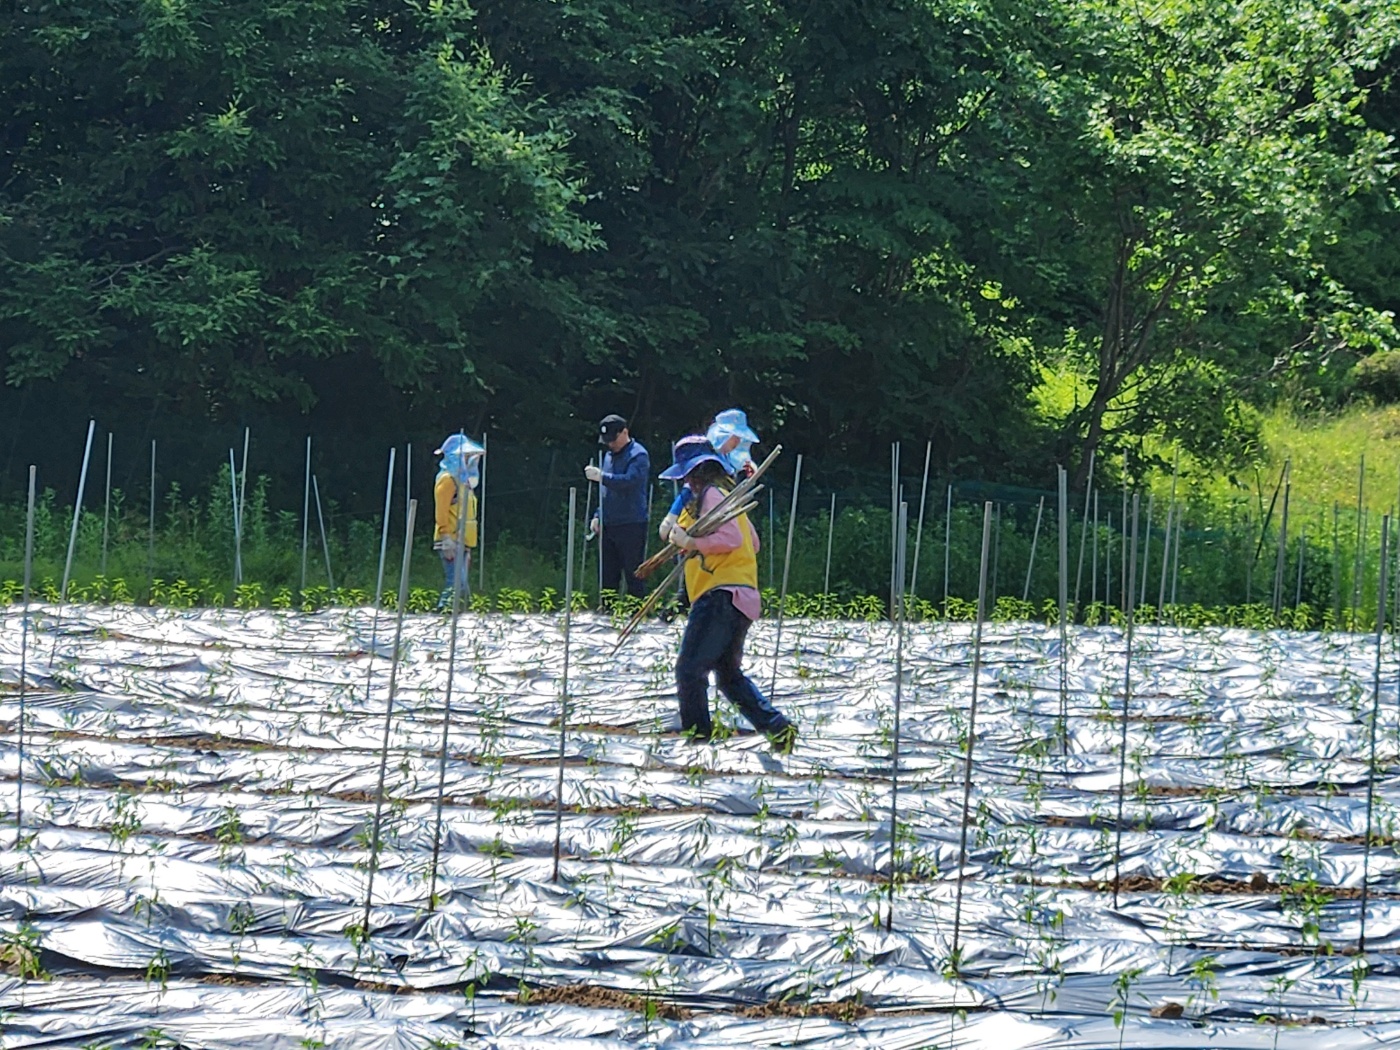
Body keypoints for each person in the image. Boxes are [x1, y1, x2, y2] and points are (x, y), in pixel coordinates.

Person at [660, 434, 796, 753]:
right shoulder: (728, 498)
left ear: (697, 472)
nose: (686, 482)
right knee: (728, 676)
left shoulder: (711, 495)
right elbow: (753, 543)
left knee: (689, 670)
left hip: (719, 595)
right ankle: (778, 728)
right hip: (741, 596)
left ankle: (699, 741)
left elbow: (733, 539)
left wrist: (693, 543)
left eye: (688, 474)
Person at [657, 408, 759, 542]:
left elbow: (736, 489)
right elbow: (688, 491)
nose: (738, 442)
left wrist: (751, 475)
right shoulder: (705, 461)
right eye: (735, 437)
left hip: (722, 517)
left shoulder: (728, 458)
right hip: (698, 518)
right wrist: (670, 519)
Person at [584, 414, 650, 598]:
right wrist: (598, 515)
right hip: (608, 524)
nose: (610, 444)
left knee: (634, 575)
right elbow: (606, 491)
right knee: (607, 577)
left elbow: (629, 481)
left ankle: (636, 611)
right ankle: (607, 611)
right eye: (607, 440)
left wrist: (602, 476)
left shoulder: (638, 455)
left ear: (625, 432)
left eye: (613, 439)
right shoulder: (608, 456)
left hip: (631, 524)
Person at [433, 433, 483, 610]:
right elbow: (441, 511)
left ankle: (458, 616)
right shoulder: (447, 480)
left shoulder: (464, 483)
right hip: (451, 539)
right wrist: (446, 538)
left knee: (462, 587)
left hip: (463, 540)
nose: (470, 459)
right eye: (466, 456)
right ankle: (443, 613)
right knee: (455, 584)